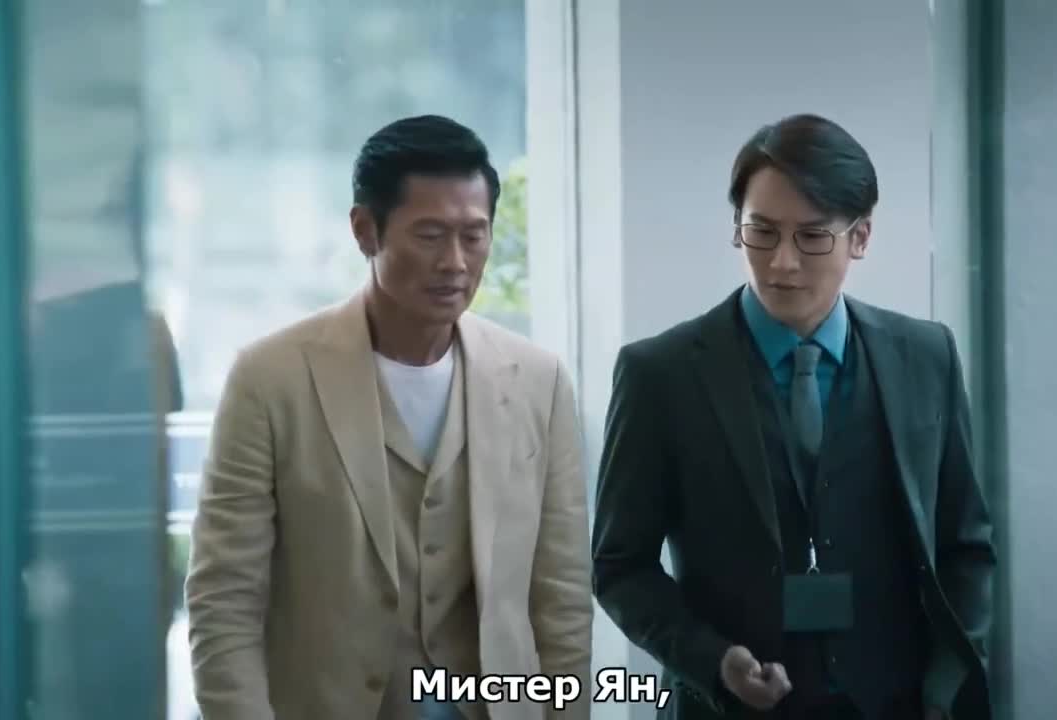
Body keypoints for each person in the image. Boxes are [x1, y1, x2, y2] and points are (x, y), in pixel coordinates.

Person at [186, 115, 593, 720]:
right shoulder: (269, 379)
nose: (454, 262)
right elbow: (224, 600)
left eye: (474, 235)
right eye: (429, 235)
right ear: (364, 230)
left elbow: (561, 600)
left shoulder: (539, 381)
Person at [590, 114, 995, 720]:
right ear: (737, 229)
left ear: (860, 237)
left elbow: (966, 544)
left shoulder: (925, 356)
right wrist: (712, 661)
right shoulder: (661, 374)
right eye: (762, 232)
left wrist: (947, 682)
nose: (781, 262)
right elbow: (620, 567)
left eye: (811, 237)